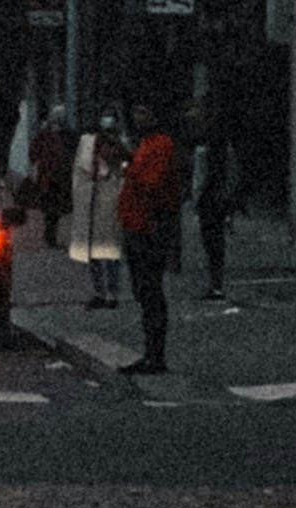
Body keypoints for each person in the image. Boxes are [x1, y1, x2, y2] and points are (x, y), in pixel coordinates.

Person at [117, 100, 185, 376]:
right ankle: (151, 354)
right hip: (138, 224)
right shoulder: (148, 144)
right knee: (144, 292)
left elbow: (152, 184)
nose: (138, 117)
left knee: (150, 291)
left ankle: (155, 355)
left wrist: (130, 170)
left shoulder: (160, 145)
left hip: (148, 227)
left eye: (143, 111)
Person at [72, 114, 127, 308]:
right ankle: (100, 291)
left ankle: (111, 293)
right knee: (94, 250)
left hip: (109, 201)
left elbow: (122, 173)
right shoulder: (88, 147)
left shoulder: (119, 147)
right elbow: (82, 172)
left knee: (109, 249)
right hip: (93, 201)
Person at [191, 103, 237, 302]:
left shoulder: (203, 149)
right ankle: (217, 284)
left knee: (210, 243)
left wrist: (195, 200)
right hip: (221, 198)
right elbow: (233, 174)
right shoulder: (226, 147)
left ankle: (215, 285)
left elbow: (199, 180)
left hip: (208, 200)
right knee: (217, 244)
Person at [28, 105, 74, 247]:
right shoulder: (56, 133)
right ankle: (50, 236)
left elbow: (34, 152)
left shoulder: (50, 133)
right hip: (55, 175)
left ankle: (50, 235)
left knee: (52, 207)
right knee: (52, 207)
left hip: (55, 175)